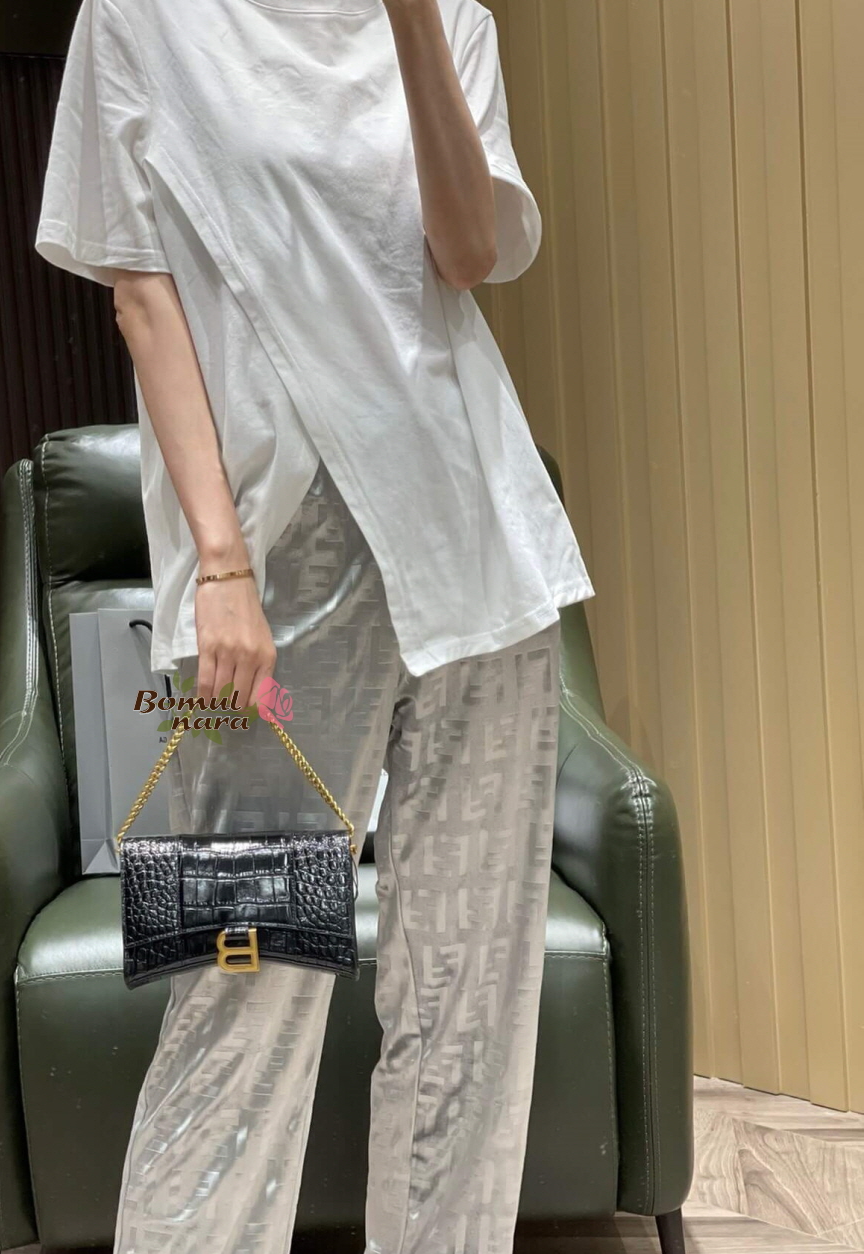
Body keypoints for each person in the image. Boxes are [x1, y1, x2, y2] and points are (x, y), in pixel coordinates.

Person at [35, 0, 596, 1250]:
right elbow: (141, 293)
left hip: (477, 563)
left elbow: (466, 253)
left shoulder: (452, 17)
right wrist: (218, 565)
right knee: (236, 993)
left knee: (468, 999)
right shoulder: (140, 16)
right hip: (272, 584)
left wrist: (415, 22)